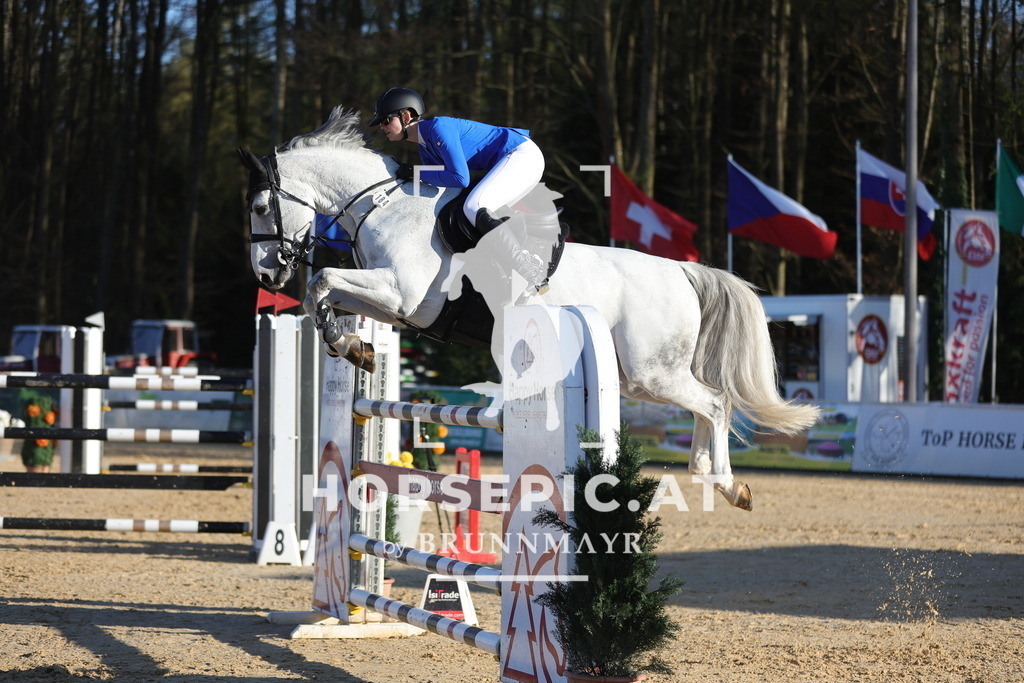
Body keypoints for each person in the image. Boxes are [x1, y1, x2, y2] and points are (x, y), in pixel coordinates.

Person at [369, 87, 551, 283]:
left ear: (406, 115)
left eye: (386, 120)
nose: (382, 126)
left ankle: (528, 269)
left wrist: (416, 173)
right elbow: (442, 188)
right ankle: (534, 248)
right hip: (515, 159)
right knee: (474, 212)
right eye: (381, 122)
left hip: (520, 155)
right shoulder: (425, 148)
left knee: (474, 207)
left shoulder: (439, 128)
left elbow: (459, 178)